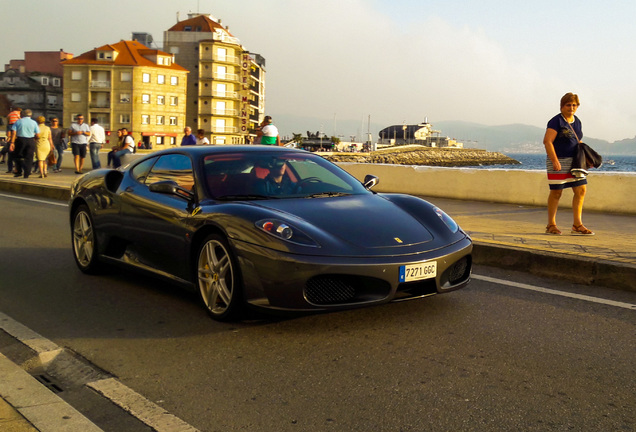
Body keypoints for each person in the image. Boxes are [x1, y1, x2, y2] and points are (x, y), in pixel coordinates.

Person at [543, 92, 593, 236]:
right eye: (568, 105)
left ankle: (577, 225)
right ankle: (551, 225)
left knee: (581, 190)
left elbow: (578, 141)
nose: (571, 108)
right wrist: (554, 160)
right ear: (562, 106)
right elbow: (547, 141)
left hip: (575, 163)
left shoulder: (577, 121)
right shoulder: (556, 121)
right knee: (556, 192)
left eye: (574, 105)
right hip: (558, 161)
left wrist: (587, 157)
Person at [9, 109, 39, 178]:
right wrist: (34, 139)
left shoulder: (18, 122)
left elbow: (14, 133)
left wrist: (12, 142)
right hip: (30, 140)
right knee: (29, 157)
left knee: (18, 156)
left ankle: (19, 171)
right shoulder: (34, 122)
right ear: (30, 115)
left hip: (20, 140)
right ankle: (27, 173)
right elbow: (38, 134)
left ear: (22, 115)